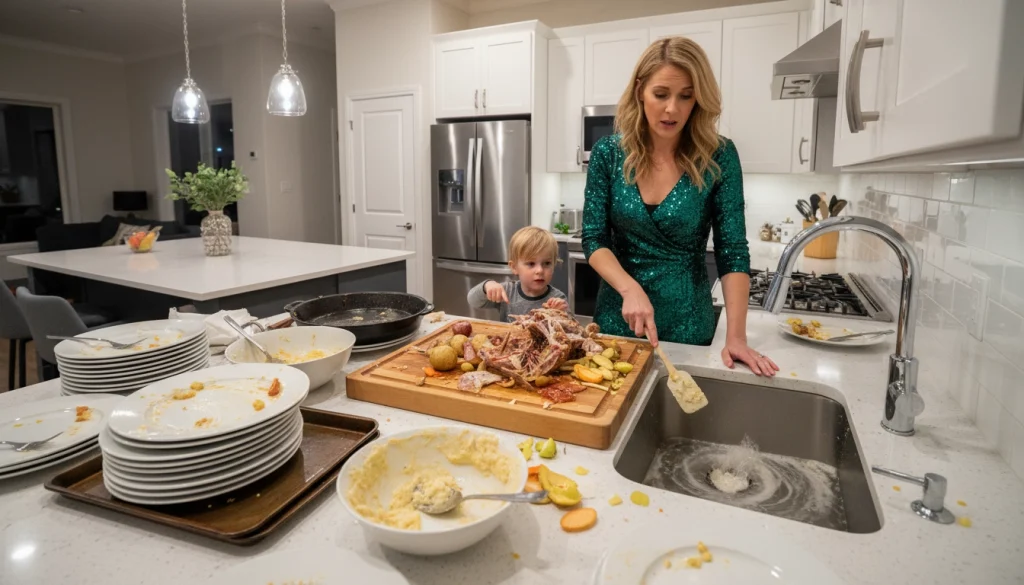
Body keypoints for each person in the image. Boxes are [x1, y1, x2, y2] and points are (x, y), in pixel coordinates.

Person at [581, 37, 778, 377]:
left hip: (689, 325)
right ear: (640, 90)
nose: (672, 108)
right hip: (618, 320)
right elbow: (594, 238)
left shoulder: (719, 156)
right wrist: (629, 288)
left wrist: (736, 337)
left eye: (685, 96)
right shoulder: (608, 154)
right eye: (661, 94)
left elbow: (732, 251)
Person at [467, 226, 569, 322]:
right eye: (531, 264)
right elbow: (473, 301)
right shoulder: (507, 291)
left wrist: (560, 314)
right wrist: (487, 286)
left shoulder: (557, 298)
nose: (540, 270)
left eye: (547, 263)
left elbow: (570, 327)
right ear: (514, 267)